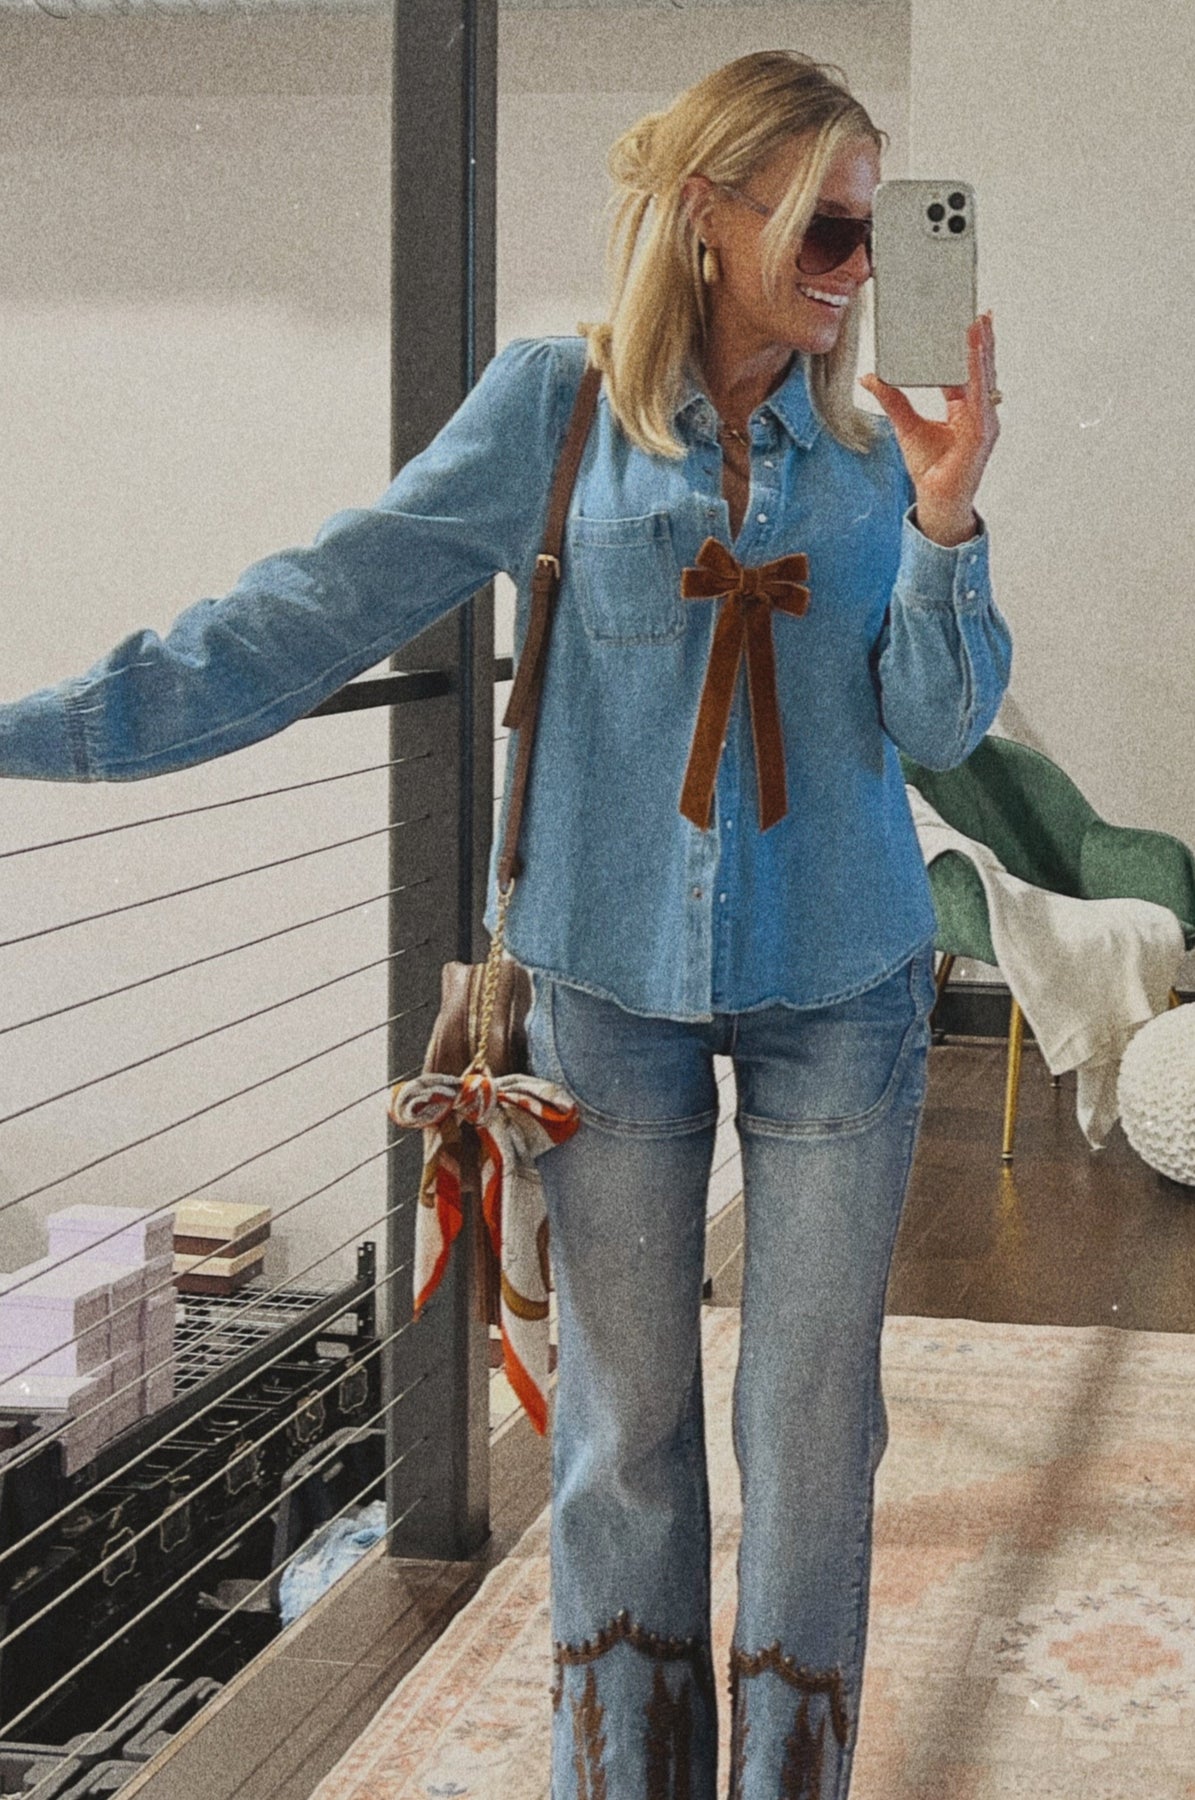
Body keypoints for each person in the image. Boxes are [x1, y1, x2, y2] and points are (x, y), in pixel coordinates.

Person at [0, 47, 1009, 1800]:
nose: (857, 270)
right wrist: (57, 731)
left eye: (872, 232)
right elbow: (317, 602)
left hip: (843, 981)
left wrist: (945, 512)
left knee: (812, 1429)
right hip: (602, 979)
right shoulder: (555, 407)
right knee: (623, 1431)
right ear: (709, 215)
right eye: (827, 228)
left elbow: (938, 720)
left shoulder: (874, 453)